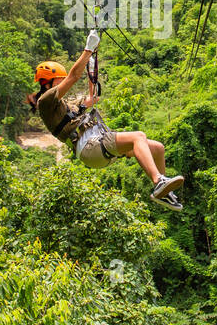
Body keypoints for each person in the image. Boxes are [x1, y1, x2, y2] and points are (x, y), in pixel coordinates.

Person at [27, 29, 184, 210]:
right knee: (138, 136)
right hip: (90, 146)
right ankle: (158, 182)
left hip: (96, 146)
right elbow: (73, 76)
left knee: (157, 148)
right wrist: (88, 49)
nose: (61, 84)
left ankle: (164, 193)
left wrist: (91, 65)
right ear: (47, 82)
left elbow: (92, 99)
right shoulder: (46, 102)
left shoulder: (66, 105)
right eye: (58, 81)